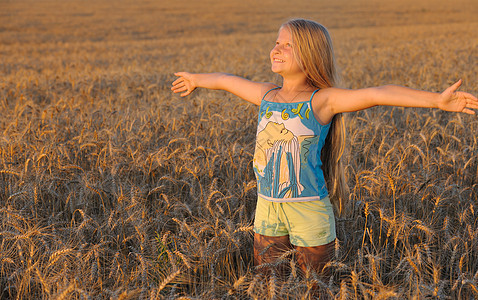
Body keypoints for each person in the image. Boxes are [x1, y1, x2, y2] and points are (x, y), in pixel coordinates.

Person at [171, 18, 478, 278]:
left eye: (286, 44)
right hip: (267, 205)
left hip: (309, 208)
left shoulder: (321, 100)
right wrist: (196, 79)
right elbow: (226, 80)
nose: (275, 49)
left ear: (310, 53)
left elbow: (378, 93)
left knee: (314, 286)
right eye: (276, 42)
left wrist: (436, 100)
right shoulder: (267, 95)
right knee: (268, 284)